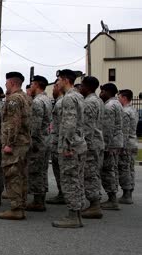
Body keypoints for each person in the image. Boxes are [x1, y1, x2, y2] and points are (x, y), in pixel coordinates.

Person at [52, 69, 87, 228]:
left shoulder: (68, 98)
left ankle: (73, 216)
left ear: (66, 80)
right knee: (77, 180)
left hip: (70, 147)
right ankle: (77, 214)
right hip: (79, 144)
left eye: (58, 79)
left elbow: (69, 124)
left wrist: (66, 145)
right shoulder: (79, 96)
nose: (56, 83)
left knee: (70, 180)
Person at [0, 72, 31, 220]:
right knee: (21, 174)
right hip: (24, 142)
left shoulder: (14, 99)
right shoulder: (26, 97)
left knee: (13, 175)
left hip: (15, 144)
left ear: (12, 83)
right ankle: (21, 204)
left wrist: (9, 143)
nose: (5, 85)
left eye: (6, 83)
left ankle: (16, 208)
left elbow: (13, 122)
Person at [79, 76, 105, 219]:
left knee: (90, 174)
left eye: (82, 86)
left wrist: (83, 145)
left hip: (91, 144)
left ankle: (95, 205)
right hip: (97, 142)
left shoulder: (89, 103)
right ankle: (95, 203)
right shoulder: (99, 101)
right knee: (94, 173)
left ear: (87, 87)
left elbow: (87, 128)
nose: (80, 88)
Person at [26, 75, 52, 212]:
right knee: (42, 171)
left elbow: (35, 126)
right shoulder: (47, 99)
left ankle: (38, 201)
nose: (30, 87)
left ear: (36, 84)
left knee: (35, 171)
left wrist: (31, 141)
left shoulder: (37, 102)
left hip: (38, 141)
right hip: (46, 139)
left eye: (32, 84)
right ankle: (40, 198)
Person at [99, 83, 124, 210]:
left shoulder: (109, 106)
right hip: (116, 142)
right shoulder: (118, 103)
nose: (100, 94)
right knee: (111, 170)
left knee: (107, 171)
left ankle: (112, 199)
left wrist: (105, 146)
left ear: (108, 92)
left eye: (102, 91)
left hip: (110, 144)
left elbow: (107, 129)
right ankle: (112, 198)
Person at [46, 80, 66, 204]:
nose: (53, 89)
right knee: (58, 170)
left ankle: (64, 194)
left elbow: (65, 125)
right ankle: (62, 193)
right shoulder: (59, 102)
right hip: (57, 141)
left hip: (60, 142)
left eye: (55, 87)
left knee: (61, 171)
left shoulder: (61, 103)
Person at [117, 89, 138, 204]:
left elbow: (124, 132)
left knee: (124, 169)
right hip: (133, 142)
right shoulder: (133, 110)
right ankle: (130, 191)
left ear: (124, 98)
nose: (118, 99)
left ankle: (127, 193)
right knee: (130, 168)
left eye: (119, 97)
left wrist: (121, 146)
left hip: (127, 144)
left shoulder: (125, 112)